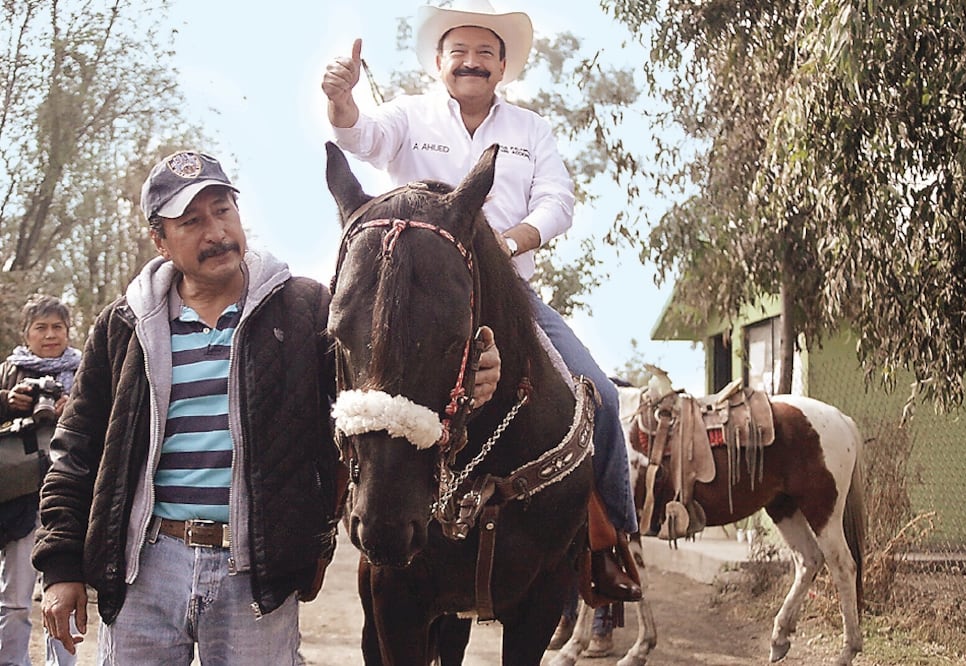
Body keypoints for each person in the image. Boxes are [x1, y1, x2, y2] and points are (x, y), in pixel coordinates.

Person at [29, 149, 504, 662]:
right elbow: (75, 452)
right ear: (160, 240)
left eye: (223, 211)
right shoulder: (121, 327)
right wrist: (60, 567)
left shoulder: (307, 311)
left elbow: (377, 391)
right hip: (145, 569)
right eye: (191, 221)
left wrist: (472, 371)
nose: (215, 232)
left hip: (255, 573)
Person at [321, 0, 641, 602]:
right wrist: (342, 101)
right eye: (459, 52)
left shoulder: (529, 130)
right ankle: (316, 527)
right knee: (329, 374)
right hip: (412, 299)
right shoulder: (407, 117)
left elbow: (558, 200)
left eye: (485, 53)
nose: (472, 62)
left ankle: (610, 542)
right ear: (440, 61)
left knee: (598, 394)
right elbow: (360, 137)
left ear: (502, 66)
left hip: (510, 293)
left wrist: (509, 239)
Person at [0, 294, 80, 666]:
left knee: (64, 591)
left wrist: (75, 406)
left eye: (58, 327)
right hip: (19, 497)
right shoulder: (8, 372)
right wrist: (6, 401)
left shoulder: (87, 370)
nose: (50, 335)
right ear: (25, 334)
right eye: (41, 328)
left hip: (70, 494)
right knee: (15, 597)